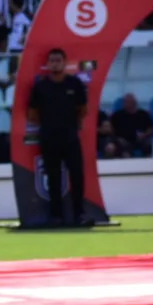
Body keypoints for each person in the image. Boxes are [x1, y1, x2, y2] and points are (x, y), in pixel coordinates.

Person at [27, 48, 90, 226]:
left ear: (64, 62)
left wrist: (68, 123)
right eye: (52, 61)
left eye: (58, 60)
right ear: (47, 64)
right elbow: (32, 113)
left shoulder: (75, 84)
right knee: (53, 178)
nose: (55, 64)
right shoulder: (40, 86)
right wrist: (49, 122)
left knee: (77, 176)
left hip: (70, 136)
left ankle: (80, 214)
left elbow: (83, 110)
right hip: (48, 137)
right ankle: (56, 216)